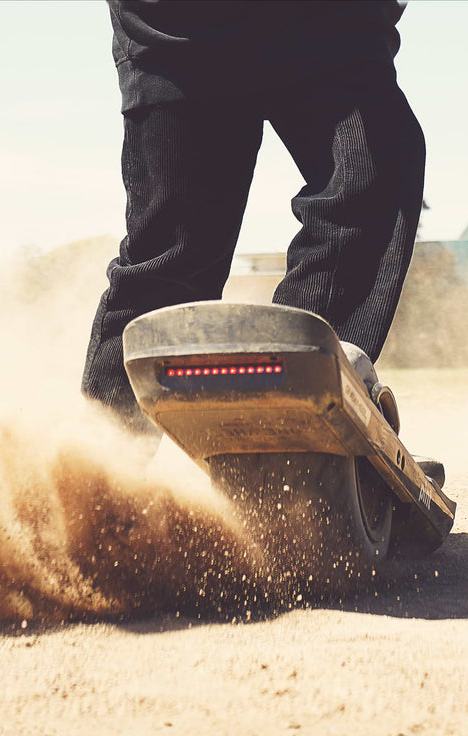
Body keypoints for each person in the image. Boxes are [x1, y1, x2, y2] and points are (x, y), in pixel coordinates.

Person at [82, 0, 425, 438]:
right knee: (176, 253)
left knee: (373, 172)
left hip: (329, 21)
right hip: (181, 31)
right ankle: (104, 462)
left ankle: (292, 411)